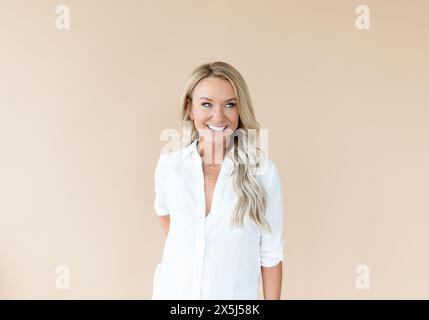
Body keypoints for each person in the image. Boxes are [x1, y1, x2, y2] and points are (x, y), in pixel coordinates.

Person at [152, 61, 284, 300]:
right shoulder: (169, 167)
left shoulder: (263, 173)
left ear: (240, 110)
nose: (218, 116)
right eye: (206, 104)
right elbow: (166, 215)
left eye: (230, 105)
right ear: (190, 109)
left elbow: (271, 254)